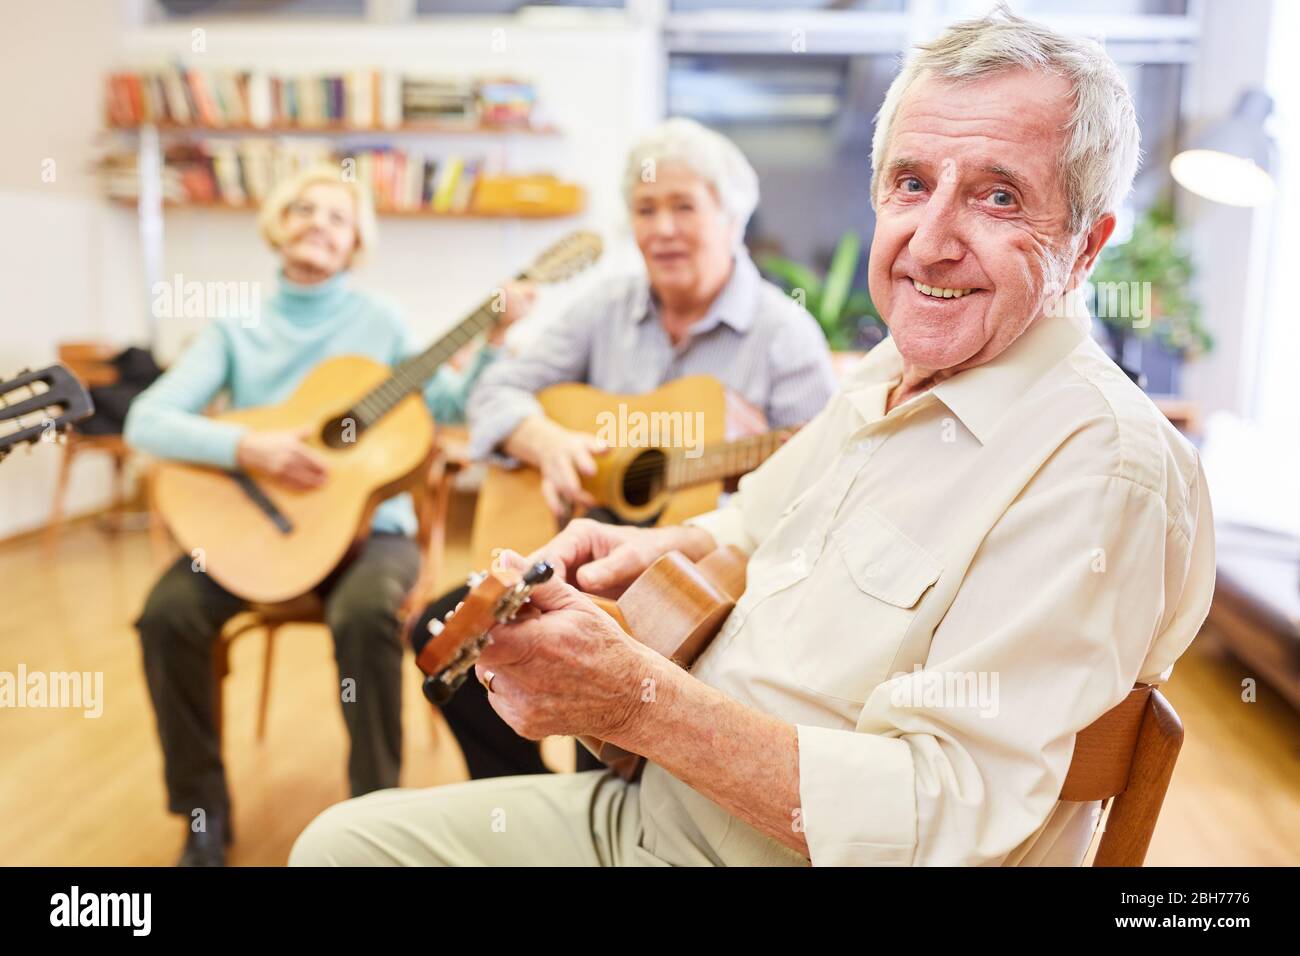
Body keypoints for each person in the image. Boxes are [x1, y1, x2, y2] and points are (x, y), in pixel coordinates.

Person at [293, 7, 1218, 868]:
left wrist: (636, 701)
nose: (929, 241)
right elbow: (743, 530)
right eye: (910, 183)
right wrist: (648, 543)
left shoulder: (1101, 469)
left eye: (999, 198)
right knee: (335, 845)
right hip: (656, 811)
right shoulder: (888, 373)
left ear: (1087, 247)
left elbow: (946, 813)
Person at [413, 117, 838, 781]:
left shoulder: (786, 336)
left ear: (731, 219)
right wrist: (545, 439)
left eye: (683, 207)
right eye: (645, 209)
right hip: (573, 547)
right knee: (445, 636)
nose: (662, 228)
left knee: (605, 675)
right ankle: (524, 808)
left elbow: (823, 486)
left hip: (700, 580)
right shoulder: (602, 308)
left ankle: (604, 814)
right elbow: (495, 389)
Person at [125, 164, 525, 866]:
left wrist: (493, 343)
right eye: (304, 208)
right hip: (258, 534)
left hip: (373, 537)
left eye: (337, 216)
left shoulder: (381, 323)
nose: (318, 223)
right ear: (278, 224)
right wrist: (249, 447)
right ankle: (200, 817)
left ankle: (375, 820)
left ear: (356, 243)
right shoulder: (237, 326)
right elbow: (146, 420)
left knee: (367, 614)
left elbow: (454, 409)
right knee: (166, 615)